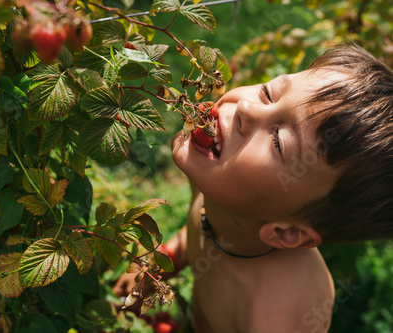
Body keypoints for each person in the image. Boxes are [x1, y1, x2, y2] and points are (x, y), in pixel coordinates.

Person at [114, 43, 393, 332]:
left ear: (287, 232)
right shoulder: (217, 192)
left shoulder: (275, 316)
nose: (247, 108)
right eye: (268, 92)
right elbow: (199, 231)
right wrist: (161, 265)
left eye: (278, 142)